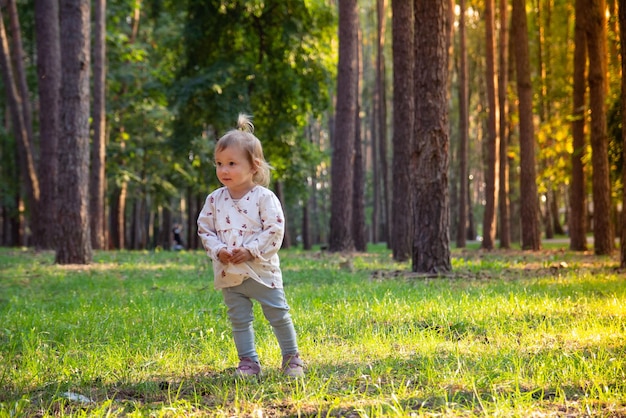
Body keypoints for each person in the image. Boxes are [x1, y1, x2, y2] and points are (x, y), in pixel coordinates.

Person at [197, 114, 304, 378]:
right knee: (239, 319)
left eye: (232, 163)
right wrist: (219, 249)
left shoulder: (264, 198)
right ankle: (248, 362)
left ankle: (291, 358)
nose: (224, 170)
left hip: (261, 271)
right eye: (219, 163)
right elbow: (205, 228)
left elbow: (274, 229)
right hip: (229, 272)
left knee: (278, 314)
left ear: (253, 166)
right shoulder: (214, 199)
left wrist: (251, 250)